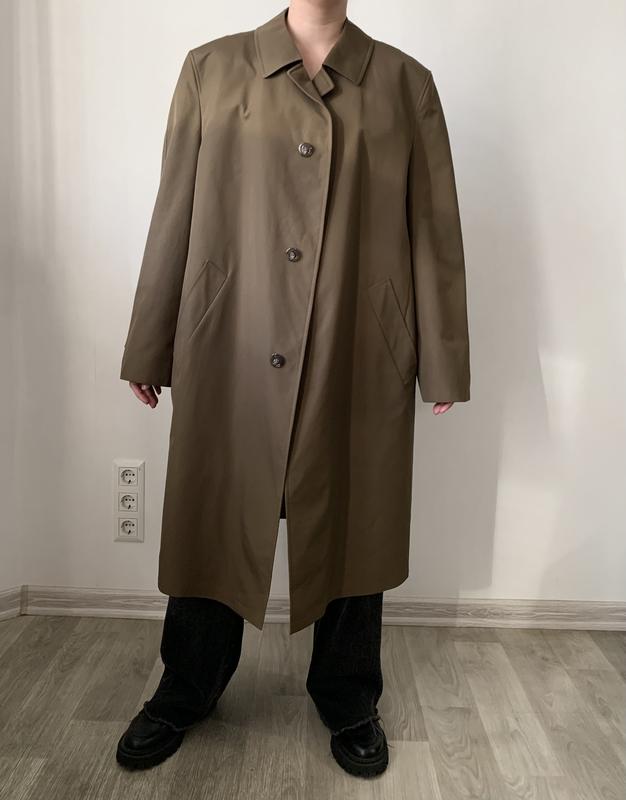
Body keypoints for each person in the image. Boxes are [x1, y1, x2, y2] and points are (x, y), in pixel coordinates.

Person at [116, 0, 471, 778]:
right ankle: (186, 687)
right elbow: (174, 210)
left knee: (354, 517)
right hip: (231, 336)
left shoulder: (405, 84)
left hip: (356, 341)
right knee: (214, 511)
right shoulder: (212, 70)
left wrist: (441, 356)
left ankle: (349, 697)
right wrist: (151, 340)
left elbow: (433, 227)